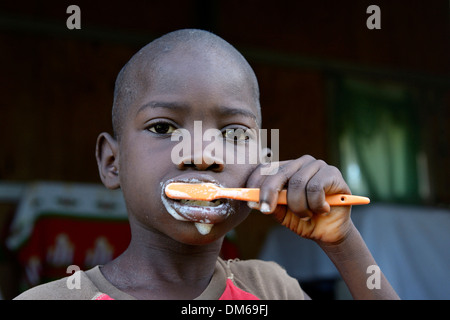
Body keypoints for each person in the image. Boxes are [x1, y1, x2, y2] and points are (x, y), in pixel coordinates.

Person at [14, 29, 399, 300]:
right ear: (112, 162)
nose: (201, 154)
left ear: (263, 163)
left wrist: (344, 244)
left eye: (233, 134)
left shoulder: (271, 289)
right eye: (163, 127)